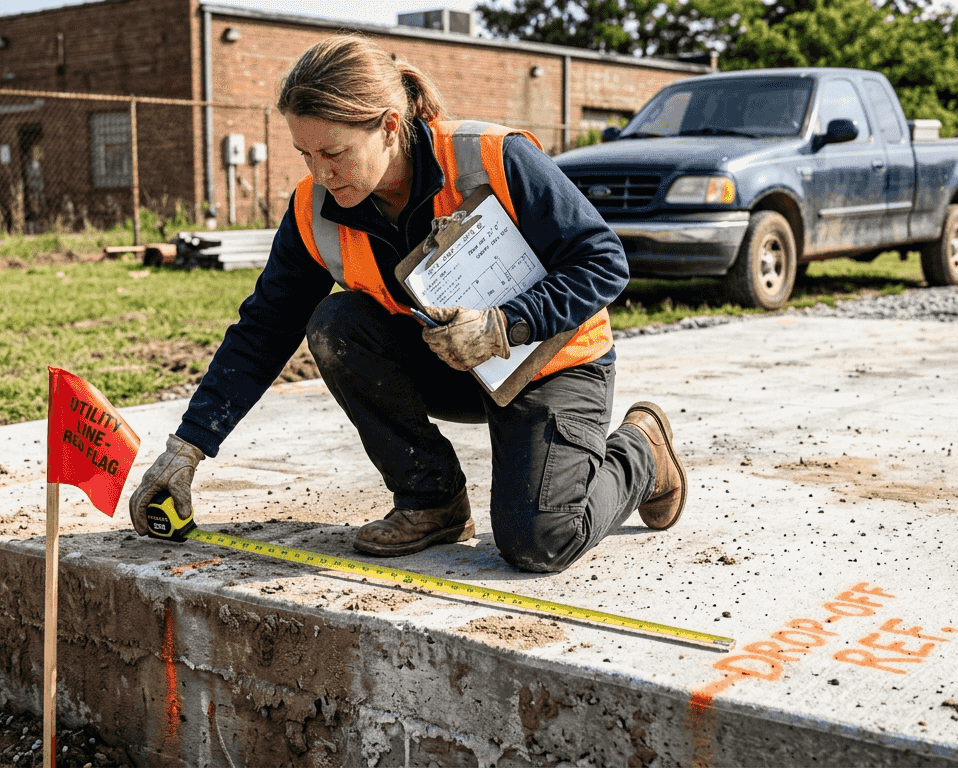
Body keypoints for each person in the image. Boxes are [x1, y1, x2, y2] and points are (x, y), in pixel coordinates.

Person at [128, 35, 688, 573]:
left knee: (540, 541)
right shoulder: (315, 209)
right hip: (454, 366)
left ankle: (643, 450)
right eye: (305, 153)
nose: (319, 173)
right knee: (335, 323)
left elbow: (603, 262)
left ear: (390, 127)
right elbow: (264, 328)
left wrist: (508, 325)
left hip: (552, 363)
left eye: (334, 152)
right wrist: (188, 448)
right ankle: (431, 501)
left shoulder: (493, 157)